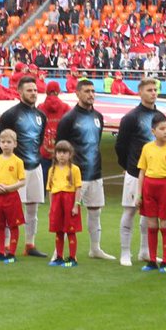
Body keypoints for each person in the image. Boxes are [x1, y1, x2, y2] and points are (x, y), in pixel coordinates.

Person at [55, 78, 112, 260]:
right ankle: (59, 252)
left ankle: (95, 249)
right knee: (68, 213)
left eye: (93, 91)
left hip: (95, 172)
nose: (91, 95)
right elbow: (60, 147)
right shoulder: (69, 119)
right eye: (87, 91)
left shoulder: (98, 117)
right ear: (77, 93)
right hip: (75, 175)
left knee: (95, 211)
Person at [0, 76, 47, 258]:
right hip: (16, 167)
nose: (33, 93)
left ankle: (30, 244)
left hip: (36, 166)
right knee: (10, 208)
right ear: (20, 92)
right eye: (29, 90)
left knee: (33, 207)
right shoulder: (11, 115)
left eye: (35, 90)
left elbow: (39, 140)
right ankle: (7, 245)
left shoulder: (41, 116)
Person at [115, 77, 162, 267]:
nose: (153, 93)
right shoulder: (131, 117)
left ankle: (145, 251)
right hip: (135, 172)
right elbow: (120, 146)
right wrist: (128, 166)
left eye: (155, 90)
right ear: (140, 92)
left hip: (155, 173)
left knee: (149, 214)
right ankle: (125, 252)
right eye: (149, 90)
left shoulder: (160, 117)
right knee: (130, 210)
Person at [138, 115, 166, 273]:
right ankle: (152, 260)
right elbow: (142, 172)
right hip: (149, 187)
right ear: (153, 131)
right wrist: (139, 194)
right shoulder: (147, 148)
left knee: (165, 224)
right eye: (162, 129)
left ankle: (165, 260)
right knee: (151, 225)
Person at [0, 129, 26, 264]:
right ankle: (1, 252)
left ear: (15, 144)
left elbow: (22, 181)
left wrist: (8, 188)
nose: (6, 144)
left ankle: (12, 253)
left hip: (11, 197)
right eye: (3, 142)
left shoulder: (18, 161)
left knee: (13, 225)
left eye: (9, 142)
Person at [46, 140, 83, 268]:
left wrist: (76, 205)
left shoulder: (74, 169)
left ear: (70, 154)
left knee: (71, 231)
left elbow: (78, 188)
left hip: (69, 200)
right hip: (57, 201)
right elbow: (50, 190)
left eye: (64, 152)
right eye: (59, 152)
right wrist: (52, 207)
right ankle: (59, 257)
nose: (61, 155)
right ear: (55, 154)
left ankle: (73, 257)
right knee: (59, 231)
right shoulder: (52, 170)